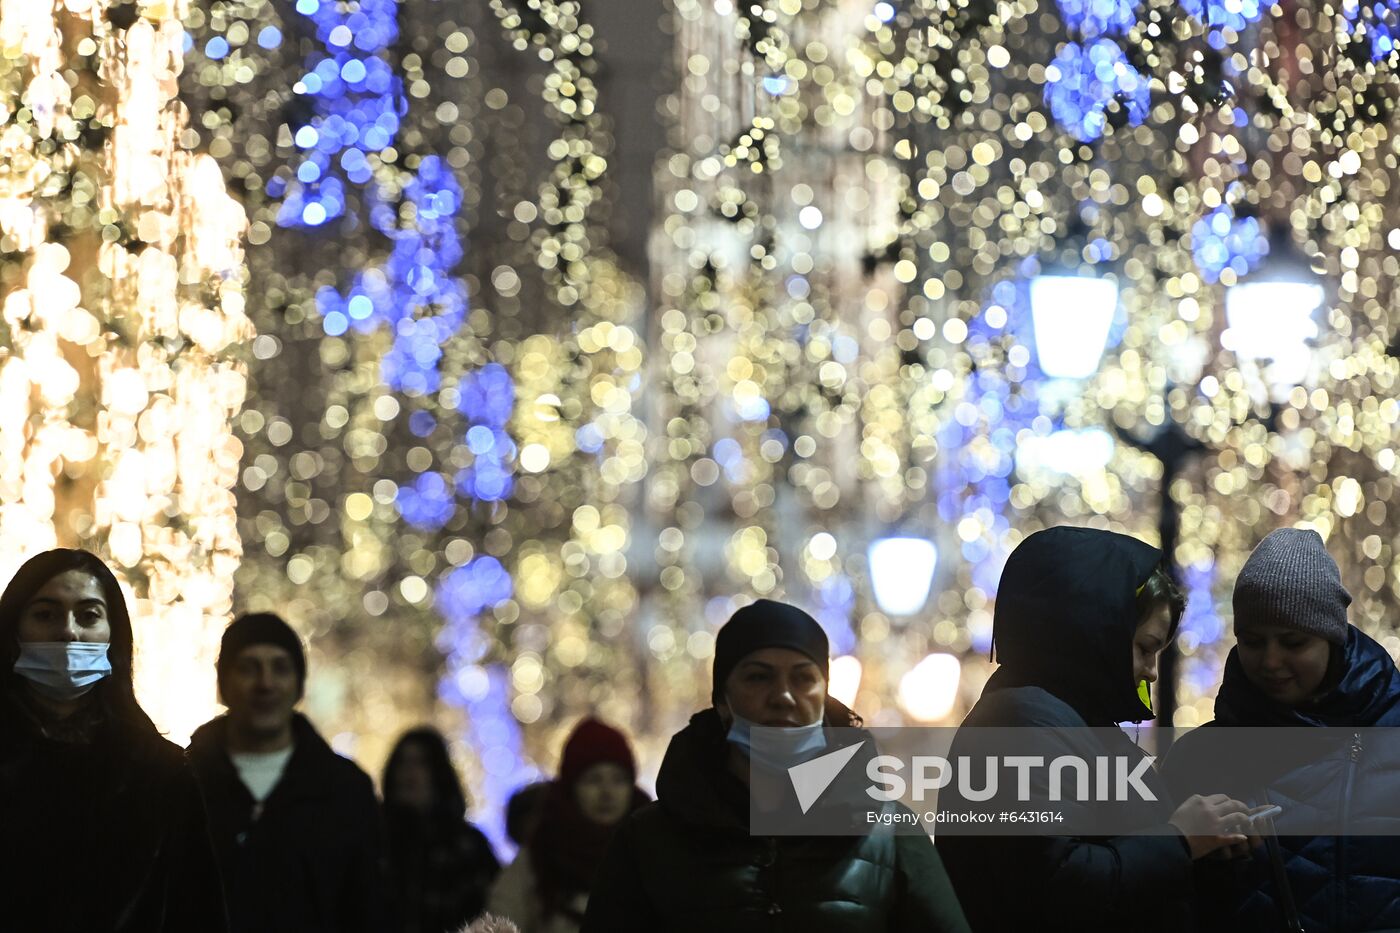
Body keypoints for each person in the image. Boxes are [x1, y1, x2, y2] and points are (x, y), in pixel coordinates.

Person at [582, 598, 972, 932]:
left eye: (803, 679)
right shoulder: (649, 841)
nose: (783, 696)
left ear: (824, 698)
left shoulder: (890, 835)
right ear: (722, 702)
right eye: (758, 677)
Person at [934, 526, 1251, 933]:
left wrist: (1204, 850)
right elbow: (1052, 888)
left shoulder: (1062, 721)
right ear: (1094, 629)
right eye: (1143, 648)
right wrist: (1179, 840)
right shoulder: (1021, 725)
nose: (1151, 672)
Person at [1164, 528, 1400, 932]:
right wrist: (1197, 857)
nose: (1271, 661)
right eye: (1254, 642)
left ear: (1332, 638)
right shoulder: (1200, 757)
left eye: (1293, 642)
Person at [0, 548, 227, 932]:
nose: (68, 631)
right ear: (13, 630)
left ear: (113, 634)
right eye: (45, 614)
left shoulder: (159, 773)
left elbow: (197, 911)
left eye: (88, 615)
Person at [188, 612, 386, 933]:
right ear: (224, 682)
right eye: (249, 668)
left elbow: (367, 909)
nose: (265, 683)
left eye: (280, 668)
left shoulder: (345, 790)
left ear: (298, 684)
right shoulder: (184, 782)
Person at [489, 718, 649, 933]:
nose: (607, 793)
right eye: (593, 780)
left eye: (618, 779)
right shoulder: (541, 856)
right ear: (572, 788)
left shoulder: (650, 847)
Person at [384, 726, 501, 933]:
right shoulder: (378, 842)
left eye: (420, 763)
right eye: (402, 762)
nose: (408, 772)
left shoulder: (467, 846)